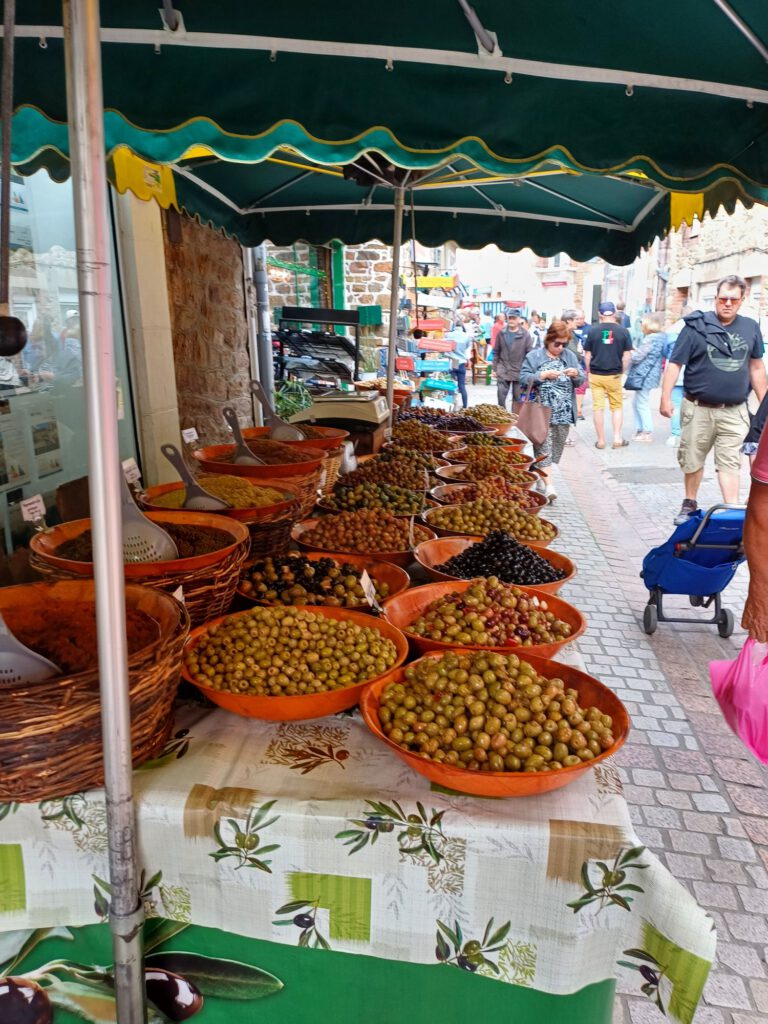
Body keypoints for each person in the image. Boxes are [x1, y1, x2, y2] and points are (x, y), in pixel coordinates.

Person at [660, 274, 767, 523]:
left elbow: (756, 367)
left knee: (730, 461)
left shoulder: (750, 327)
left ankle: (732, 511)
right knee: (692, 457)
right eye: (723, 298)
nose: (727, 304)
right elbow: (675, 364)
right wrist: (665, 397)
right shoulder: (696, 326)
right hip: (698, 407)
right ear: (716, 298)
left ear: (742, 300)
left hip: (734, 410)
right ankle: (689, 502)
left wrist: (764, 405)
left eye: (733, 299)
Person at [520, 319, 584, 502]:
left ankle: (539, 475)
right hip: (540, 411)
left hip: (563, 412)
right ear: (549, 340)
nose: (560, 348)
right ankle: (549, 487)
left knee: (555, 449)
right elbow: (523, 377)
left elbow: (581, 379)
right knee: (544, 447)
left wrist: (576, 374)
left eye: (564, 344)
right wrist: (542, 375)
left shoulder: (569, 356)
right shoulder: (534, 356)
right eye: (557, 344)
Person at [582, 300, 633, 449]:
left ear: (600, 314)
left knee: (598, 407)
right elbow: (627, 356)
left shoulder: (592, 331)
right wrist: (621, 371)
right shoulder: (623, 331)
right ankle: (617, 438)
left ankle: (601, 440)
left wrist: (589, 371)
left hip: (596, 374)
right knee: (616, 406)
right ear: (615, 313)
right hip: (614, 374)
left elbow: (587, 355)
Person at [626, 312, 666, 442]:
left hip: (644, 375)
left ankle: (646, 431)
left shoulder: (650, 339)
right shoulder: (660, 337)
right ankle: (640, 429)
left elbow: (638, 357)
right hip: (650, 374)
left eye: (642, 323)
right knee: (637, 402)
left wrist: (630, 353)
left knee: (641, 403)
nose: (641, 325)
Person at [662, 307, 692, 447]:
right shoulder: (698, 330)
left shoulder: (671, 331)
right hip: (692, 372)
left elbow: (664, 352)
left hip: (674, 371)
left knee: (676, 405)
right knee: (692, 405)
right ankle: (689, 433)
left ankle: (675, 435)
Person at [493, 311, 534, 409]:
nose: (511, 320)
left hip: (518, 370)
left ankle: (515, 418)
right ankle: (502, 417)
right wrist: (495, 368)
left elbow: (529, 354)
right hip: (503, 368)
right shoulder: (502, 333)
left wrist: (528, 370)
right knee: (501, 398)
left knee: (517, 399)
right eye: (510, 318)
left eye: (514, 318)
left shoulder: (525, 334)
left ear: (519, 319)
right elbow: (496, 351)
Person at [446, 326, 472, 409]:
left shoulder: (448, 335)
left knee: (451, 384)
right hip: (461, 363)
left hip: (452, 362)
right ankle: (465, 406)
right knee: (462, 386)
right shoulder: (466, 336)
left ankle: (451, 405)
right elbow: (467, 349)